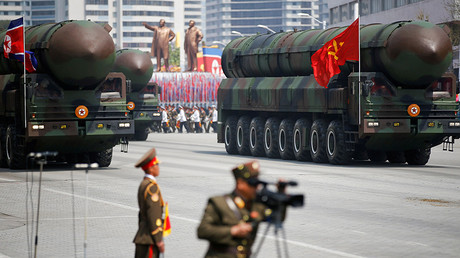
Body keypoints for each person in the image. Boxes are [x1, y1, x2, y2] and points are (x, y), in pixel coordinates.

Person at [197, 161, 280, 258]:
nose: (257, 188)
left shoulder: (257, 206)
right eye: (253, 184)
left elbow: (277, 218)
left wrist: (280, 196)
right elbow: (202, 231)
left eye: (258, 183)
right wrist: (233, 231)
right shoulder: (219, 203)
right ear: (240, 183)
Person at [133, 148, 165, 258]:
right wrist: (158, 240)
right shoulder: (152, 188)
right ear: (151, 169)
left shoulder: (143, 184)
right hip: (149, 239)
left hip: (142, 236)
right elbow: (154, 215)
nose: (158, 168)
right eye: (157, 165)